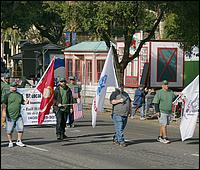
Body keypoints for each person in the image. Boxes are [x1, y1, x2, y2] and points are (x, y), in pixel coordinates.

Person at [2, 82, 28, 147]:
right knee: (9, 130)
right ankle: (10, 141)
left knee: (21, 128)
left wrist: (26, 102)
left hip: (18, 115)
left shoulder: (19, 95)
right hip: (9, 115)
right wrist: (4, 113)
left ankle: (19, 141)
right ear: (10, 87)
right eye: (13, 86)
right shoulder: (7, 96)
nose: (14, 88)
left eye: (15, 86)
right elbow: (4, 105)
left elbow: (23, 102)